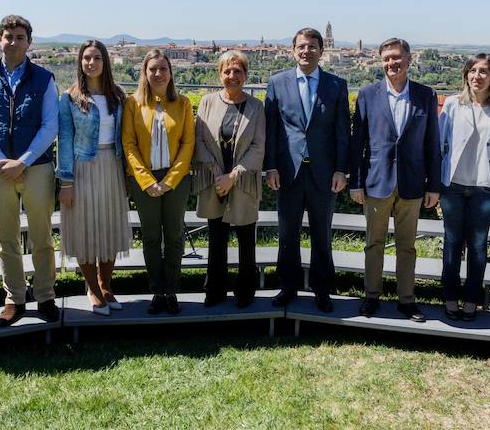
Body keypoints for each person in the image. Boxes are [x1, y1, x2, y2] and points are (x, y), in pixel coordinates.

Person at [0, 15, 60, 326]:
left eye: (20, 37)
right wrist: (0, 161)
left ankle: (46, 295)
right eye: (8, 36)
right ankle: (14, 298)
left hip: (37, 168)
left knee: (42, 236)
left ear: (29, 42)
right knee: (5, 237)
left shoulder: (45, 79)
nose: (14, 41)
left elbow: (50, 125)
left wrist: (23, 161)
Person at [350, 38, 441, 320]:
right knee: (373, 243)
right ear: (381, 62)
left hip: (413, 184)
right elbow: (358, 143)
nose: (392, 63)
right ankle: (371, 296)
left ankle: (406, 299)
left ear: (409, 59)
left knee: (407, 246)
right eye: (387, 58)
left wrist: (433, 185)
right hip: (377, 182)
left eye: (397, 57)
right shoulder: (367, 94)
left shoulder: (426, 95)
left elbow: (432, 144)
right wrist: (356, 181)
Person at [265, 27, 349, 312]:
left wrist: (341, 170)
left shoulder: (336, 85)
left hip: (324, 175)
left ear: (321, 51)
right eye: (301, 46)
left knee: (321, 234)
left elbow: (342, 132)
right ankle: (287, 287)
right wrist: (270, 167)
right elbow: (272, 128)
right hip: (288, 172)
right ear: (292, 50)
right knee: (287, 234)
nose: (306, 51)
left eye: (312, 47)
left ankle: (322, 290)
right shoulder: (277, 82)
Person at [438, 54, 490, 321]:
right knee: (451, 243)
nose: (477, 76)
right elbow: (440, 146)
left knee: (478, 245)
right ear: (466, 75)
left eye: (484, 71)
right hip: (454, 186)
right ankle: (450, 297)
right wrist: (436, 185)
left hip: (486, 187)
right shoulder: (452, 105)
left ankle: (471, 299)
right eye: (472, 71)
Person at [57, 40, 132, 316]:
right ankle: (92, 287)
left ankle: (105, 284)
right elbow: (64, 140)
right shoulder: (70, 97)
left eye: (96, 57)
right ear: (80, 62)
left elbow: (125, 137)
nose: (91, 62)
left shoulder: (119, 96)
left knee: (110, 226)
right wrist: (66, 181)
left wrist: (126, 174)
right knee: (85, 228)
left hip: (111, 165)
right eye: (86, 58)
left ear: (105, 62)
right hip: (82, 167)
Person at [122, 49, 195, 315]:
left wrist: (170, 180)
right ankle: (156, 291)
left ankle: (172, 290)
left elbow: (188, 144)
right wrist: (146, 180)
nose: (158, 73)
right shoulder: (133, 103)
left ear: (171, 73)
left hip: (176, 180)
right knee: (151, 236)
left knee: (174, 235)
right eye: (153, 69)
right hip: (145, 180)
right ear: (145, 72)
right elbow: (128, 145)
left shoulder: (183, 103)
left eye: (163, 68)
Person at [193, 51, 265, 308]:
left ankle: (245, 293)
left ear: (245, 75)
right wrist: (217, 174)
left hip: (243, 182)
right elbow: (198, 140)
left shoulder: (257, 107)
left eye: (237, 71)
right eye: (227, 71)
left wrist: (232, 177)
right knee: (216, 238)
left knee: (247, 239)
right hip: (214, 180)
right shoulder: (207, 102)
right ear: (219, 74)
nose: (232, 76)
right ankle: (215, 291)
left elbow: (258, 147)